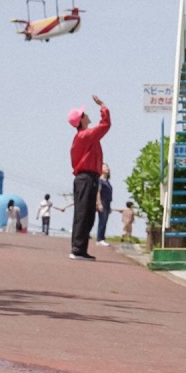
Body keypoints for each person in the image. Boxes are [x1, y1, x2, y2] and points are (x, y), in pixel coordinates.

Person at [68, 94, 109, 261]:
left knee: (86, 214)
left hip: (85, 178)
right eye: (84, 114)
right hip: (86, 178)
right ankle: (77, 249)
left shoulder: (83, 137)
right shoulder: (85, 135)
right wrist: (103, 107)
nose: (86, 114)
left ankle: (80, 249)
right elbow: (105, 125)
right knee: (84, 214)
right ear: (81, 120)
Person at [95, 163, 113, 246]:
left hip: (107, 202)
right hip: (103, 202)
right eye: (105, 167)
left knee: (105, 221)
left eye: (108, 168)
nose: (107, 169)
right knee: (102, 220)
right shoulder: (100, 181)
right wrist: (99, 203)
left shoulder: (107, 182)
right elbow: (98, 192)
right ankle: (99, 239)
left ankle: (102, 237)